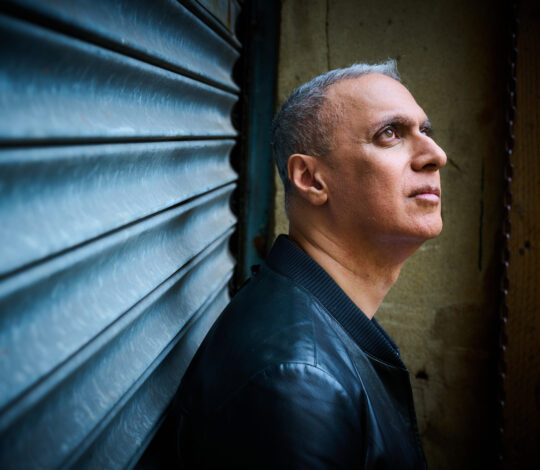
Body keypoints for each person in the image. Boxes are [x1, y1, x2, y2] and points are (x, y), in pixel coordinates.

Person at [174, 60, 447, 469]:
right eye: (389, 134)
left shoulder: (313, 335)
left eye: (425, 131)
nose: (436, 155)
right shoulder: (299, 382)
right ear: (311, 178)